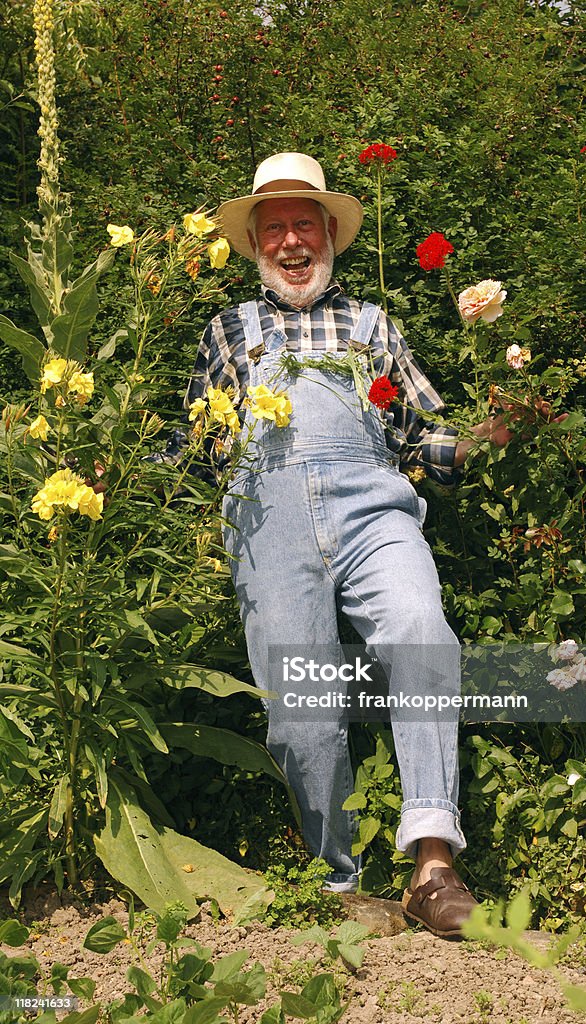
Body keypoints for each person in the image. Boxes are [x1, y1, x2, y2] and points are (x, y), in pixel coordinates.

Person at [180, 152, 563, 938]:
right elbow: (198, 451)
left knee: (423, 633)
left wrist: (483, 443)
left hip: (372, 509)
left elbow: (419, 438)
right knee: (300, 705)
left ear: (330, 236)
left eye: (305, 226)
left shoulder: (370, 325)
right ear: (255, 243)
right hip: (265, 520)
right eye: (275, 227)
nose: (292, 242)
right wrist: (122, 474)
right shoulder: (227, 333)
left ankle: (433, 870)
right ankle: (337, 883)